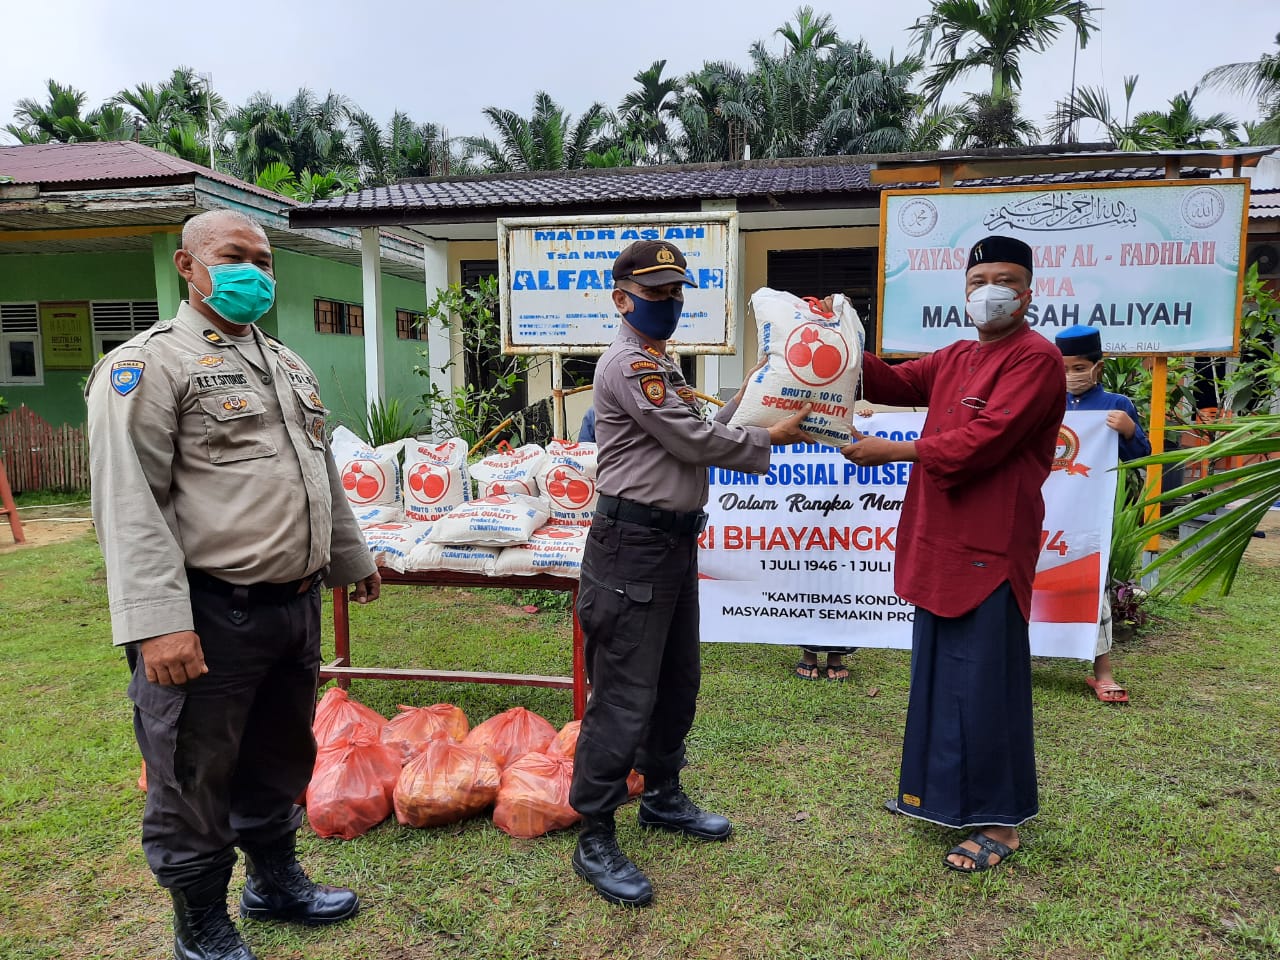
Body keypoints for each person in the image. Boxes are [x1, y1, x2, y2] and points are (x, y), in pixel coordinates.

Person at [86, 209, 381, 960]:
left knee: (280, 753)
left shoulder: (286, 363)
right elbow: (129, 502)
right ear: (188, 267)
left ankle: (274, 881)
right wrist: (158, 622)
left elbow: (319, 477)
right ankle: (200, 922)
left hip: (292, 607)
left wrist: (350, 559)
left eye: (264, 258)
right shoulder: (148, 366)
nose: (254, 270)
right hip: (210, 613)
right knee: (194, 770)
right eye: (234, 255)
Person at [570, 238, 814, 907]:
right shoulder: (628, 364)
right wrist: (770, 437)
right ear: (621, 299)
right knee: (622, 694)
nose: (670, 304)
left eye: (677, 293)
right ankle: (594, 834)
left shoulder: (661, 366)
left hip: (672, 547)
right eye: (656, 294)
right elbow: (696, 442)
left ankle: (664, 796)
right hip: (631, 550)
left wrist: (760, 388)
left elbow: (703, 423)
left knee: (677, 682)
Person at [839, 235, 1064, 873]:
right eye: (978, 278)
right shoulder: (955, 355)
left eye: (1004, 278)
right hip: (939, 539)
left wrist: (894, 449)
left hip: (990, 545)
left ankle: (1000, 822)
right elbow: (888, 379)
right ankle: (933, 795)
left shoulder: (1036, 359)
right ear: (965, 289)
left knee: (985, 682)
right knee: (940, 677)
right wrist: (830, 341)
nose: (989, 289)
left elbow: (982, 441)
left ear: (1027, 291)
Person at [1056, 325, 1151, 704]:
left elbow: (1141, 456)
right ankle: (1013, 665)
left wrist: (1129, 432)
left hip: (1089, 514)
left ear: (1098, 367)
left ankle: (1103, 671)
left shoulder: (1117, 405)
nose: (1071, 375)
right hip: (1045, 510)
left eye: (1079, 367)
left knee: (1093, 583)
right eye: (1063, 367)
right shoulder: (1045, 401)